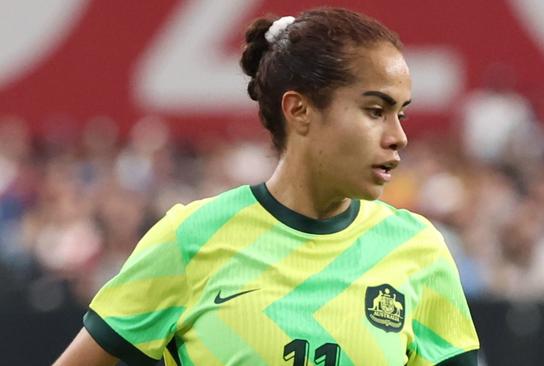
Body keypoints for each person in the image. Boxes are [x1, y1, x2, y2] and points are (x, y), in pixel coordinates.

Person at [55, 7, 479, 366]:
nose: (398, 136)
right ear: (299, 110)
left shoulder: (419, 250)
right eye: (375, 110)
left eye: (400, 113)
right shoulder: (191, 238)